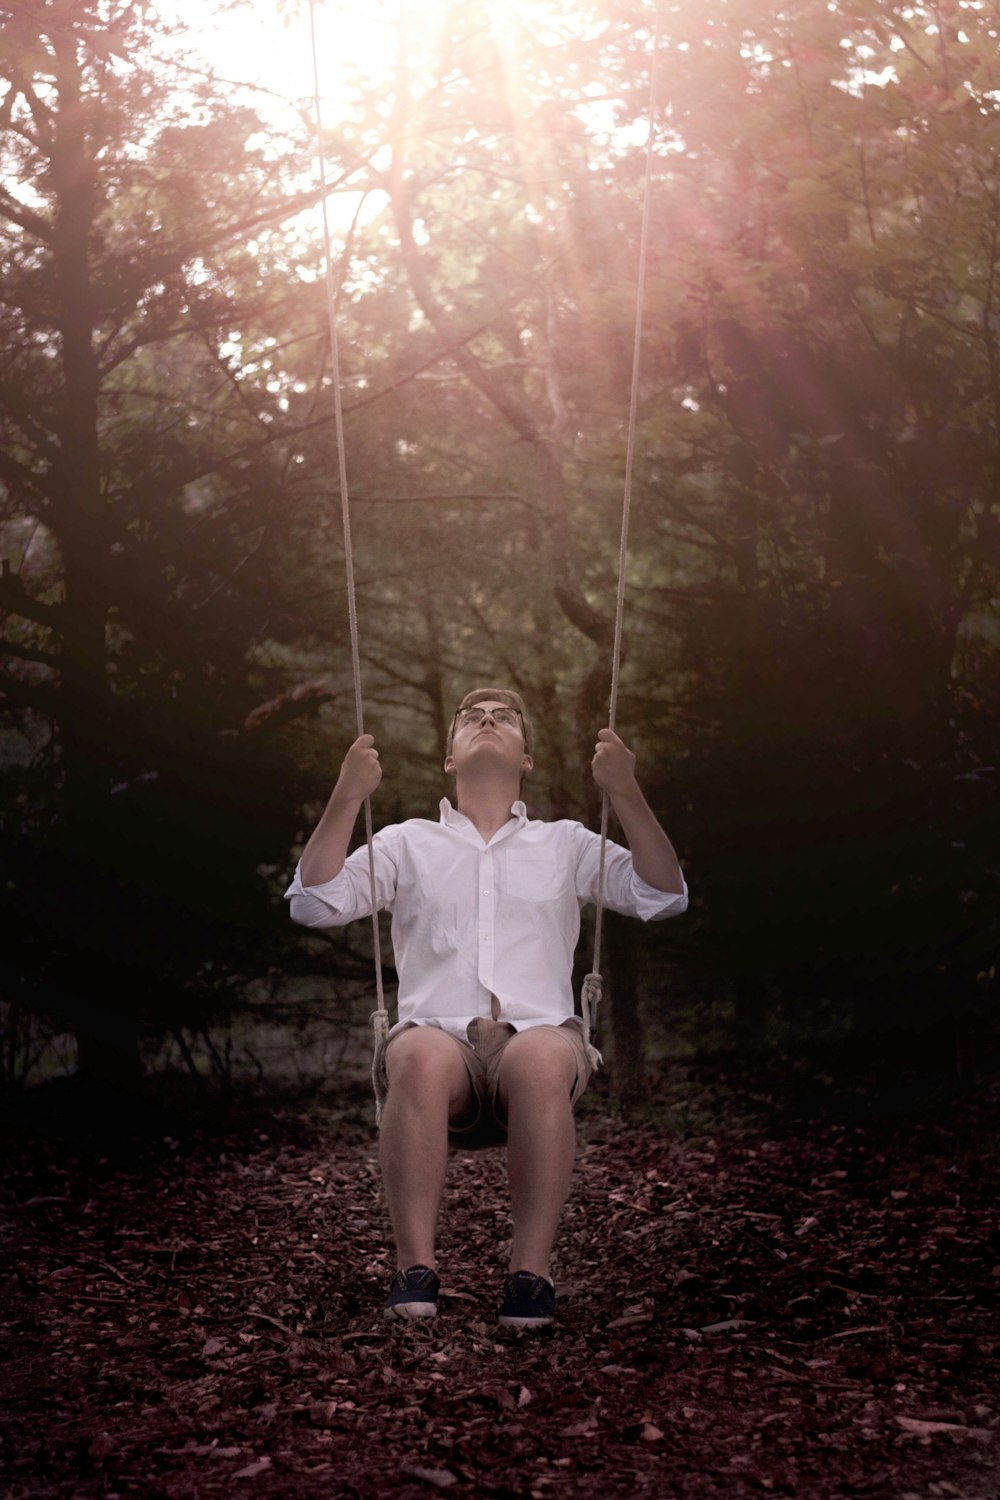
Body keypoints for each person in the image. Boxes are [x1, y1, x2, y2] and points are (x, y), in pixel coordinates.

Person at [285, 688, 687, 1328]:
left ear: (526, 759)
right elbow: (311, 902)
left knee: (536, 1061)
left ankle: (530, 1276)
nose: (489, 719)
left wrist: (625, 792)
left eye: (505, 717)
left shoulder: (565, 843)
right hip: (440, 1051)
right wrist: (348, 795)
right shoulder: (406, 843)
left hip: (538, 1039)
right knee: (412, 1051)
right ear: (450, 759)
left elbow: (664, 896)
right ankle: (415, 1272)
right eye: (471, 716)